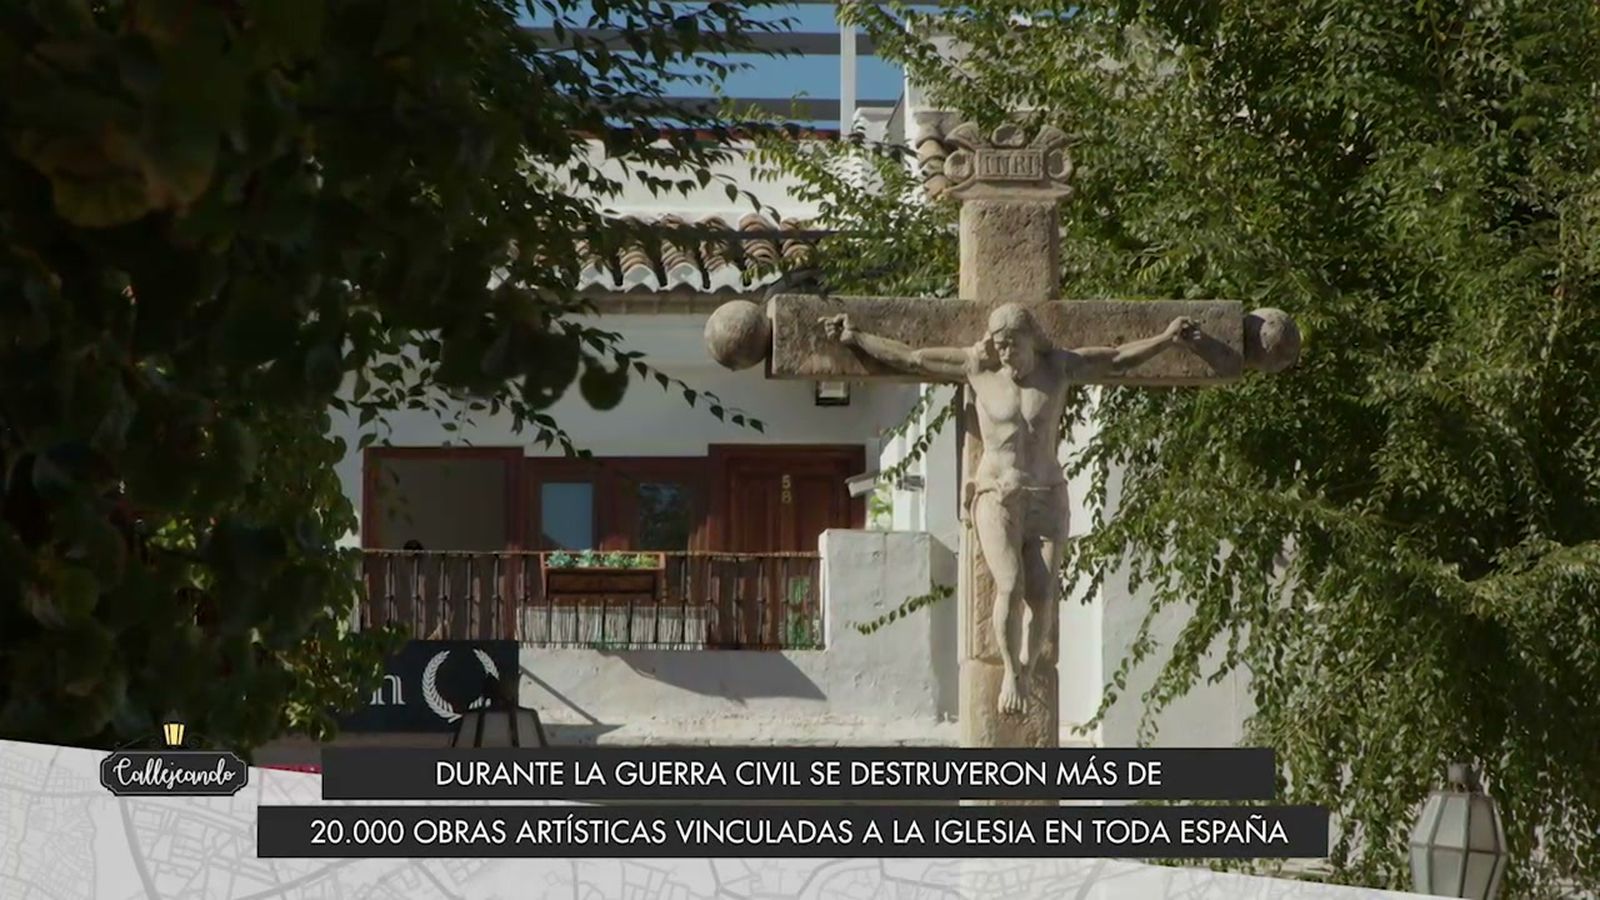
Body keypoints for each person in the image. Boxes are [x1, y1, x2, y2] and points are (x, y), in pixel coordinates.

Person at [821, 304, 1202, 714]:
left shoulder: (1058, 368)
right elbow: (911, 358)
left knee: (1042, 595)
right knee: (1010, 585)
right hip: (996, 493)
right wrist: (856, 338)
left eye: (1013, 345)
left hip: (1046, 493)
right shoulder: (976, 368)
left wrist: (1166, 339)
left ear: (1031, 340)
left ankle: (1030, 663)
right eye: (999, 345)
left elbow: (1116, 359)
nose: (1005, 353)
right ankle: (1011, 672)